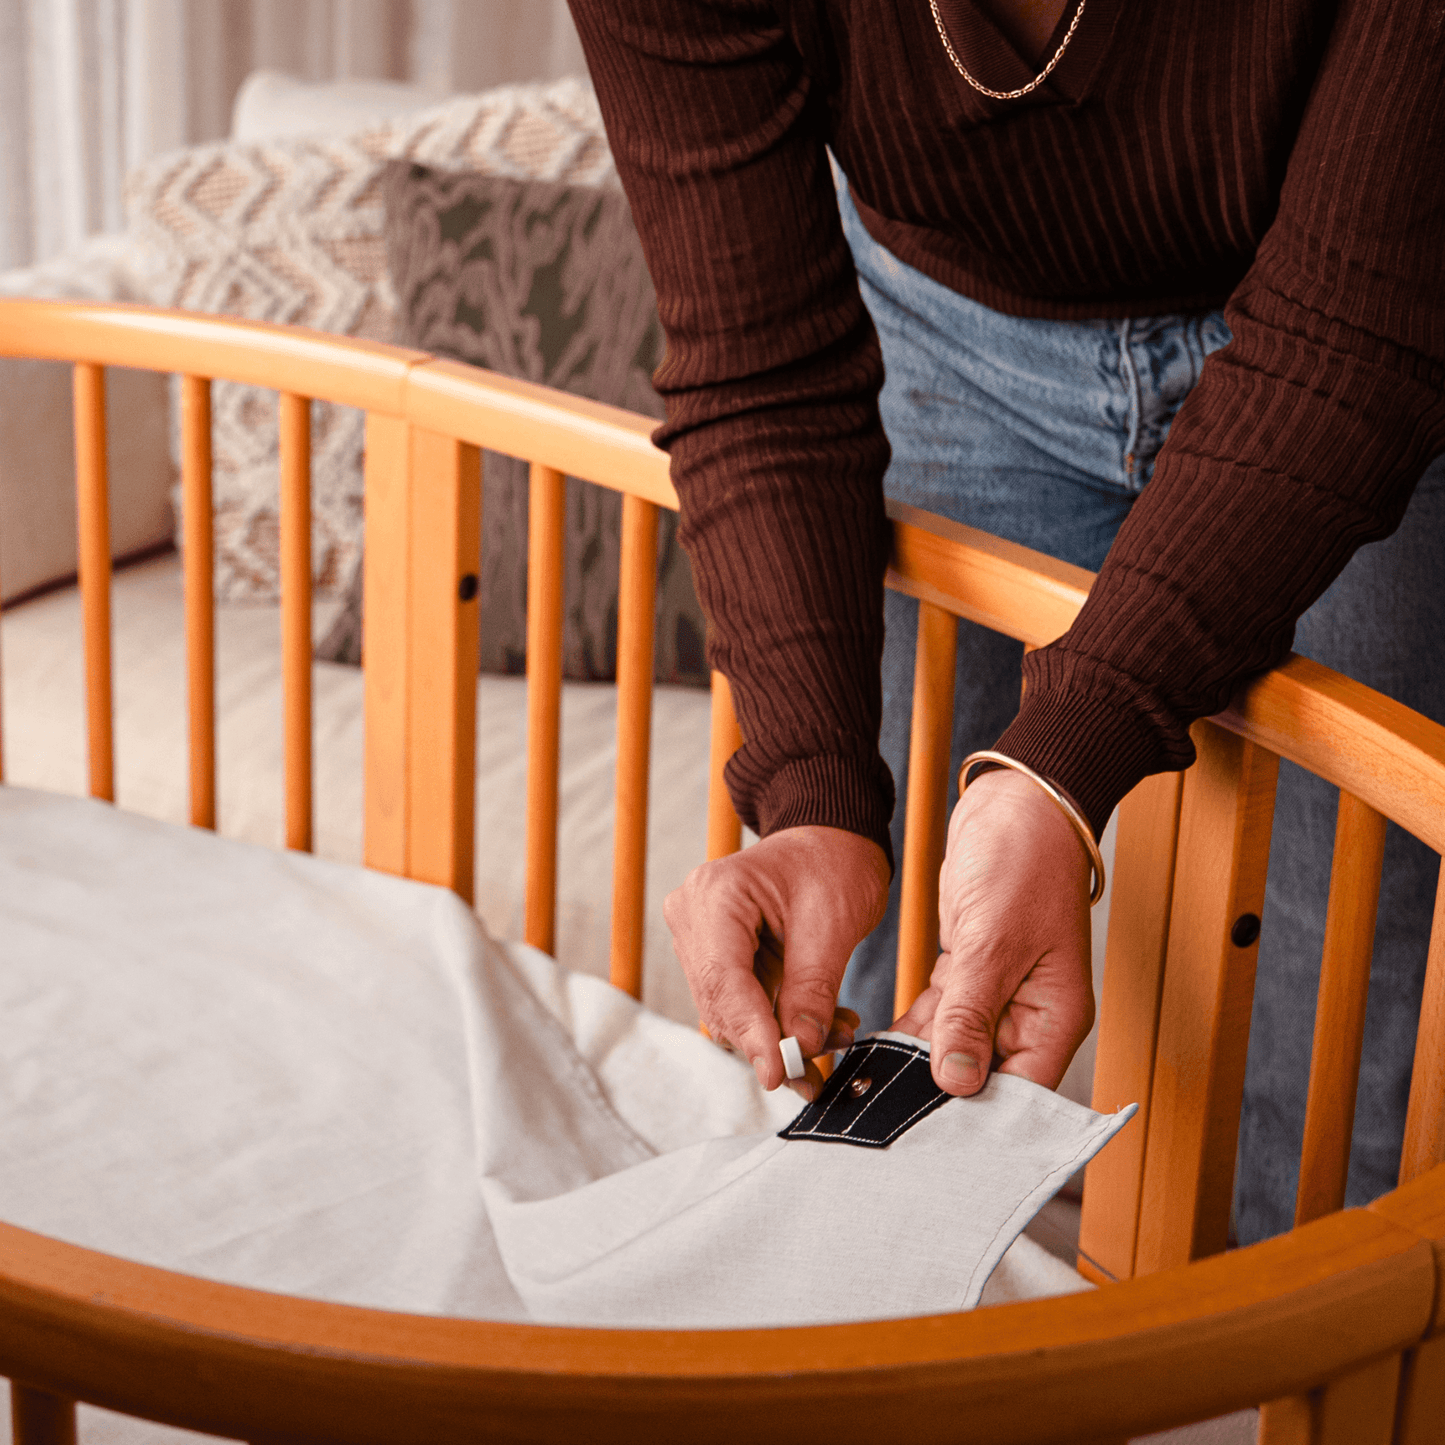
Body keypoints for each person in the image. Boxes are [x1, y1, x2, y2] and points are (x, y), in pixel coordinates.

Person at [565, 0, 1445, 1241]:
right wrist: (813, 791)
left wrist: (1060, 763)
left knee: (1331, 1010)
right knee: (898, 978)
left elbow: (1353, 344)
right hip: (946, 332)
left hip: (1384, 336)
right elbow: (758, 358)